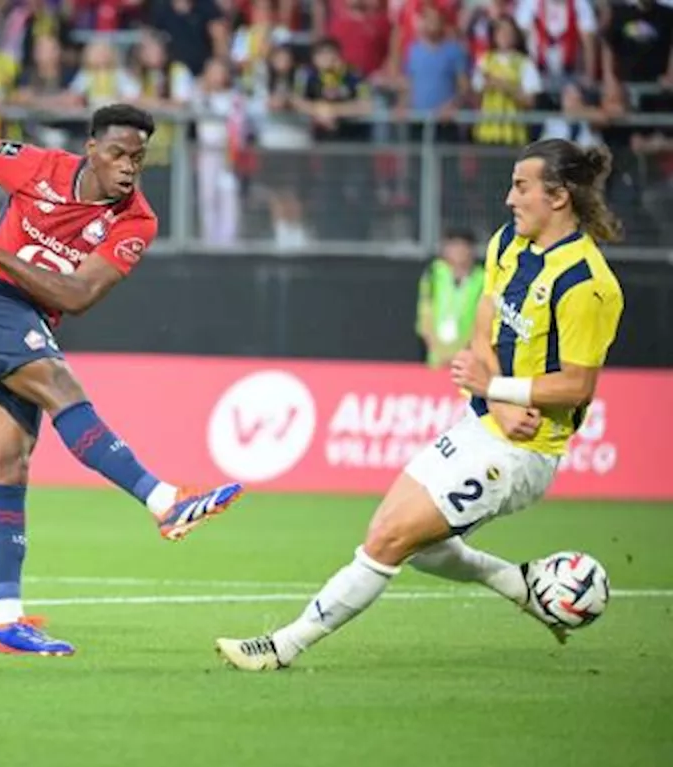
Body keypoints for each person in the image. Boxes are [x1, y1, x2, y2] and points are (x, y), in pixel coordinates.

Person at [216, 138, 625, 671]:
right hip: (485, 423)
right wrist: (495, 399)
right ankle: (525, 587)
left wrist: (496, 392)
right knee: (417, 544)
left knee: (388, 539)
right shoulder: (508, 245)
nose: (508, 198)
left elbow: (576, 386)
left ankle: (282, 646)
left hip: (526, 452)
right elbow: (484, 327)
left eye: (520, 187)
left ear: (558, 197)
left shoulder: (589, 285)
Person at [0, 104, 244, 657]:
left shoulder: (136, 221)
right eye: (118, 154)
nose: (128, 168)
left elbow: (76, 296)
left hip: (30, 314)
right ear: (91, 148)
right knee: (62, 388)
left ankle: (3, 620)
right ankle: (164, 500)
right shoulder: (40, 167)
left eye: (138, 159)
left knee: (10, 464)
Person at [416, 227, 485, 369]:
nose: (458, 251)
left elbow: (483, 320)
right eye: (453, 245)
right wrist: (437, 350)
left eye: (463, 246)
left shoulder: (482, 279)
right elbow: (425, 315)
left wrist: (461, 352)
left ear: (472, 250)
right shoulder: (433, 273)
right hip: (436, 360)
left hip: (469, 360)